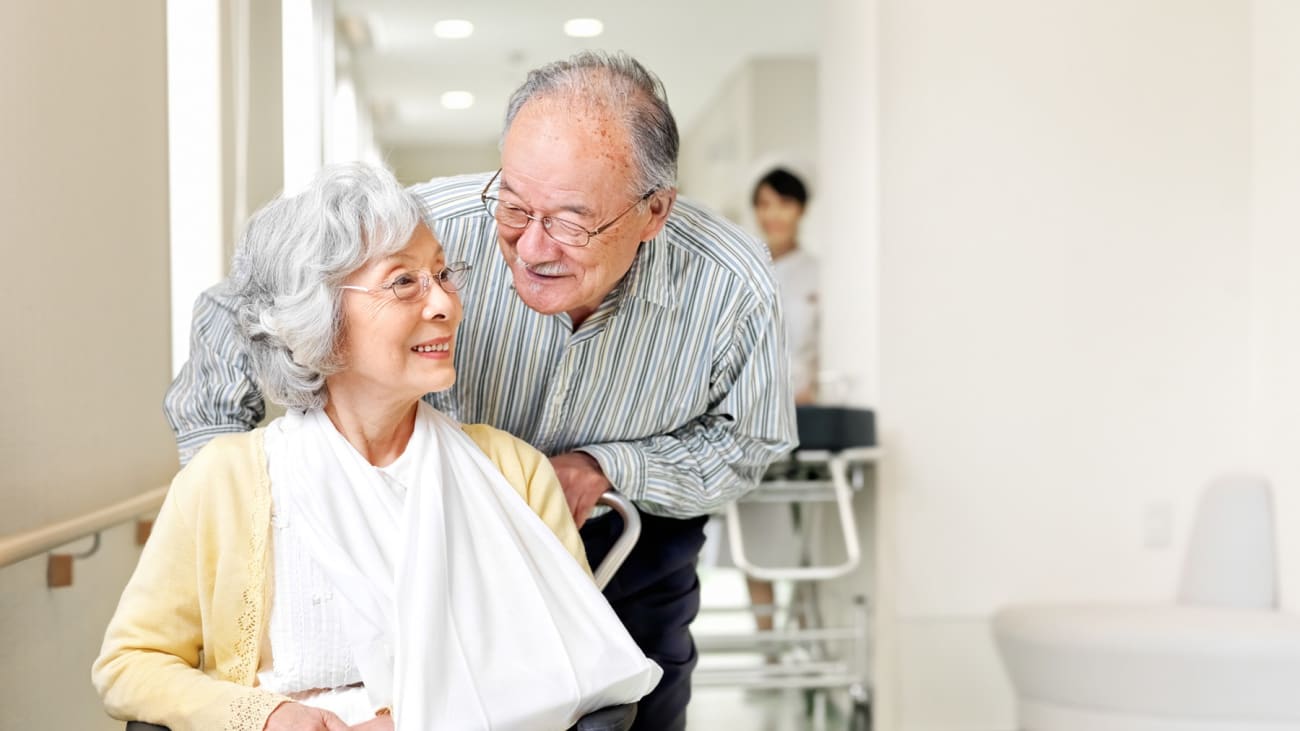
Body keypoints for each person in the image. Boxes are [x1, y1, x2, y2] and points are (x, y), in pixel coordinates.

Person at [164, 51, 797, 730]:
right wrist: (236, 502)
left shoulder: (733, 285)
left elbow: (749, 440)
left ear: (654, 211)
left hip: (624, 545)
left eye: (570, 222)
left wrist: (609, 467)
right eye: (515, 206)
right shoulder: (428, 230)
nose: (529, 247)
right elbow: (242, 305)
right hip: (419, 545)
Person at [95, 163, 660, 731]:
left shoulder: (513, 471)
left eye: (442, 274)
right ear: (321, 316)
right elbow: (130, 664)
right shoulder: (228, 478)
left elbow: (573, 661)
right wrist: (263, 716)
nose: (445, 305)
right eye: (404, 282)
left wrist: (408, 723)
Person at [742, 167, 820, 634]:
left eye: (783, 203)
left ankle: (808, 632)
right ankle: (768, 643)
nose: (773, 214)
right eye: (764, 204)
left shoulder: (819, 273)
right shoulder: (747, 267)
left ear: (801, 209)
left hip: (808, 414)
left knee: (812, 528)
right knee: (761, 529)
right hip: (755, 415)